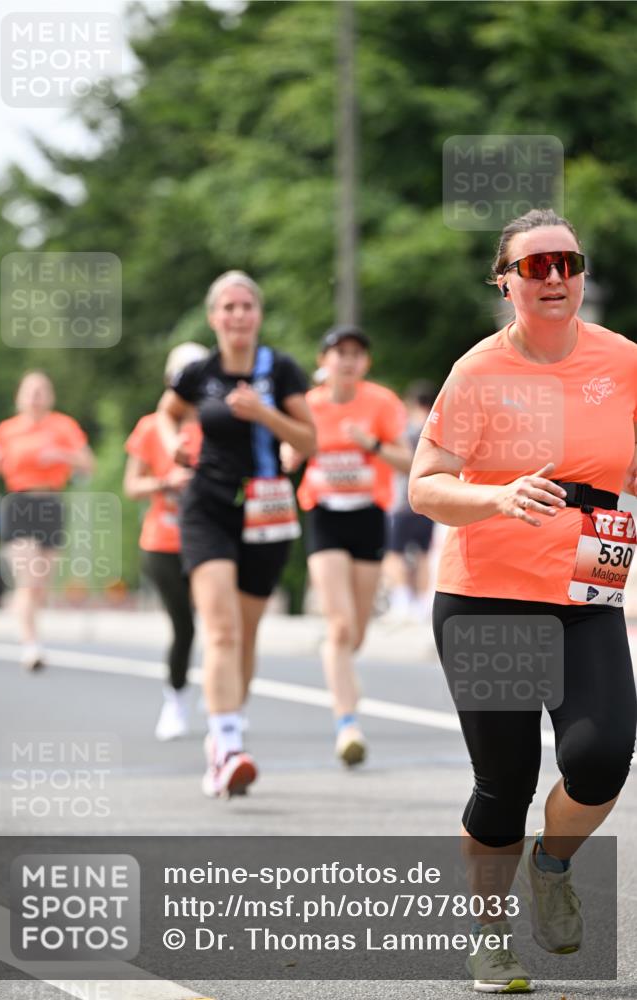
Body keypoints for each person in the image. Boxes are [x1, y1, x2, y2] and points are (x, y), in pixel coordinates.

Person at [409, 208, 637, 993]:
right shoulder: (477, 372)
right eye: (533, 267)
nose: (552, 279)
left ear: (580, 273)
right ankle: (489, 939)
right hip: (487, 601)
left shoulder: (624, 361)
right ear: (503, 281)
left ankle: (553, 863)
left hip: (585, 595)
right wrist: (499, 496)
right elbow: (424, 486)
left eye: (565, 264)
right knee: (503, 784)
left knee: (601, 759)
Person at [157, 271, 315, 797]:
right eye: (228, 307)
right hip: (208, 507)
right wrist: (174, 442)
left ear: (258, 314)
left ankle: (227, 731)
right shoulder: (199, 372)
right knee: (220, 630)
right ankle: (227, 747)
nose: (238, 315)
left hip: (267, 509)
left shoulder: (281, 369)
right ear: (214, 317)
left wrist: (263, 413)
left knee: (246, 635)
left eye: (246, 306)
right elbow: (168, 411)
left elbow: (309, 440)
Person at [286, 325, 411, 766]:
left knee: (355, 633)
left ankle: (340, 668)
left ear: (366, 364)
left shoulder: (381, 403)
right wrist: (293, 454)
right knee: (339, 626)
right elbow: (289, 453)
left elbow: (409, 462)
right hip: (324, 516)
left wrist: (370, 444)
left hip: (368, 517)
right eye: (339, 352)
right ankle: (347, 725)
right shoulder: (308, 405)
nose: (348, 360)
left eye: (357, 353)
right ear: (324, 361)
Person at [0, 371, 94, 670]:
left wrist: (60, 454)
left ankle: (23, 617)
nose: (35, 396)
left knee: (42, 584)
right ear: (19, 396)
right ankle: (31, 645)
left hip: (51, 503)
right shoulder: (7, 429)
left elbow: (88, 464)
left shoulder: (63, 426)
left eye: (41, 390)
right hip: (19, 502)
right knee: (28, 579)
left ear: (50, 396)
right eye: (30, 390)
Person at [124, 343, 208, 741]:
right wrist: (166, 482)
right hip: (163, 541)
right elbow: (132, 485)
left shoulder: (219, 422)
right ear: (169, 382)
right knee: (185, 626)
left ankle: (224, 695)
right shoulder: (149, 427)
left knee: (224, 622)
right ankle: (175, 698)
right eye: (182, 374)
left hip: (212, 537)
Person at [382, 380, 438, 621]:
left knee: (393, 553)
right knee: (423, 553)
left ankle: (403, 600)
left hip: (404, 501)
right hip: (430, 502)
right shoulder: (437, 430)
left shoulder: (407, 431)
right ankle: (423, 604)